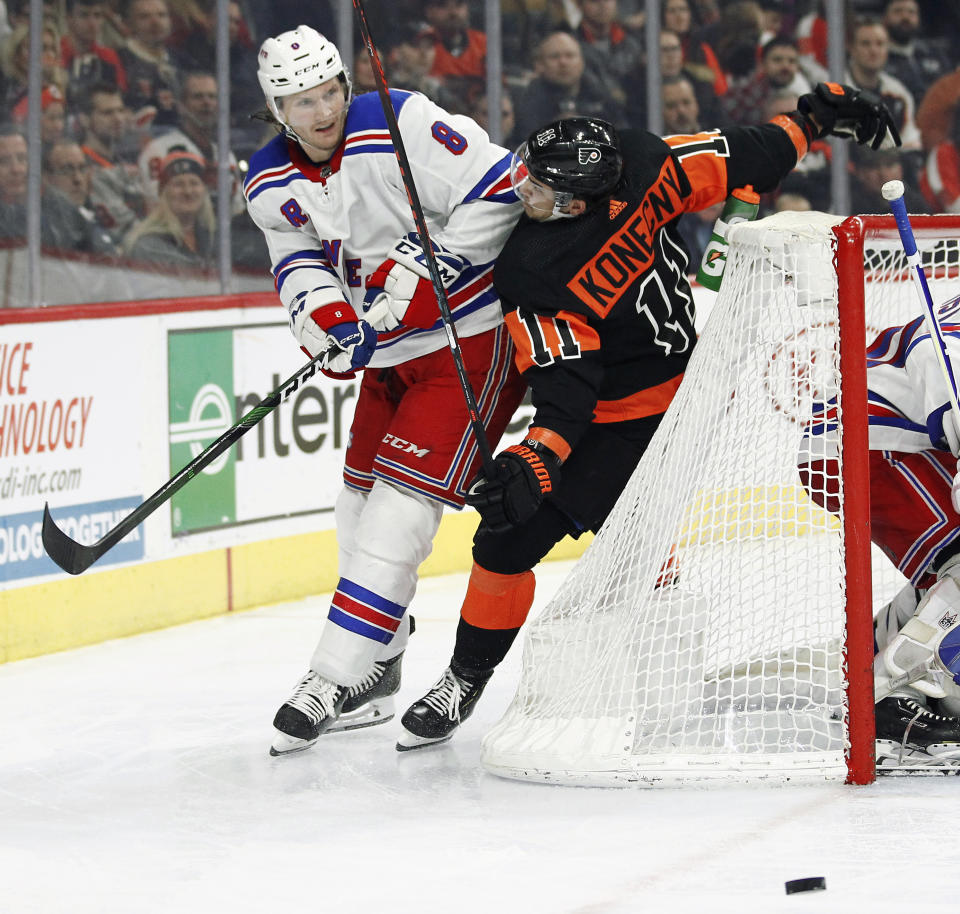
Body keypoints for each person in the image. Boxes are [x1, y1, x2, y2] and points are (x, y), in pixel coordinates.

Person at [395, 84, 903, 751]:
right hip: (648, 403)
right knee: (518, 538)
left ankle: (646, 675)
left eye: (540, 187)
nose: (523, 190)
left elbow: (569, 390)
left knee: (585, 546)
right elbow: (751, 154)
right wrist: (809, 122)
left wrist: (537, 456)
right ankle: (468, 677)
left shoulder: (537, 266)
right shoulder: (644, 160)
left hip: (648, 416)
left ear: (577, 200)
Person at [244, 25, 526, 756]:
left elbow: (504, 188)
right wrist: (329, 321)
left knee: (397, 519)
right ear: (278, 109)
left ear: (345, 83)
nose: (321, 110)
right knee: (356, 509)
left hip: (469, 340)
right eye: (301, 101)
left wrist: (429, 264)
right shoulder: (269, 181)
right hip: (389, 355)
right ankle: (378, 669)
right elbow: (298, 261)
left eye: (329, 91)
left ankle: (328, 677)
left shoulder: (402, 120)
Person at [798, 305, 960, 766]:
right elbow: (935, 346)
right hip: (860, 440)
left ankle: (877, 651)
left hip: (884, 442)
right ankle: (888, 694)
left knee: (949, 575)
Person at [124, 149, 215, 267]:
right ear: (163, 192)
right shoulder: (147, 245)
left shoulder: (214, 238)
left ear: (204, 190)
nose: (188, 191)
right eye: (178, 184)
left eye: (194, 183)